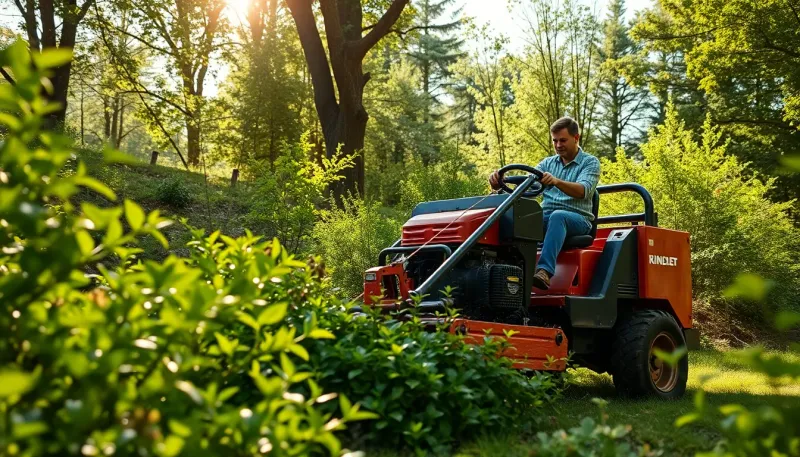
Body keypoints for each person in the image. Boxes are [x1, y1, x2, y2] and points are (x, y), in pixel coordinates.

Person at [488, 117, 600, 290]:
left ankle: (545, 272)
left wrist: (556, 181)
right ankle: (505, 272)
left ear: (576, 138)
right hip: (547, 217)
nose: (558, 145)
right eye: (555, 141)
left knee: (558, 216)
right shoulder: (547, 163)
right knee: (516, 218)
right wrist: (502, 183)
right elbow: (529, 185)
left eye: (563, 140)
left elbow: (583, 191)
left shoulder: (590, 162)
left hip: (579, 220)